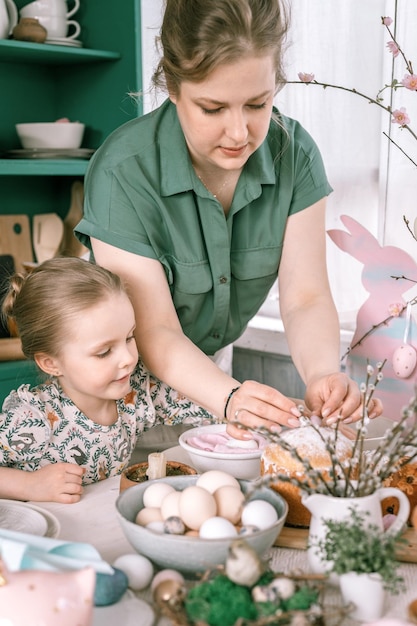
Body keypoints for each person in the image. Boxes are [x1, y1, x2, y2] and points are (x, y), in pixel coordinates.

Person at [75, 0, 382, 438]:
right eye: (213, 108)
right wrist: (230, 397)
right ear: (174, 86)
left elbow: (305, 297)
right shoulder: (124, 171)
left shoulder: (294, 155)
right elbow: (155, 329)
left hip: (214, 379)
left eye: (257, 104)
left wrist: (320, 375)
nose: (239, 133)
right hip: (115, 391)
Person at [0, 257, 213, 503]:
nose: (128, 358)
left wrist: (240, 413)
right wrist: (29, 485)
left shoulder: (138, 391)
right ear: (51, 363)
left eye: (130, 337)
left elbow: (205, 404)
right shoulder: (32, 418)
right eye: (104, 352)